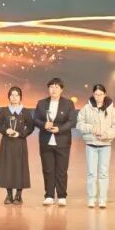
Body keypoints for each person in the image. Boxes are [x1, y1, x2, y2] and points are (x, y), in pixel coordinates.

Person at [76, 83, 115, 208]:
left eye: (100, 94)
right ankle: (91, 198)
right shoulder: (86, 108)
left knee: (103, 173)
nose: (98, 97)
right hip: (91, 145)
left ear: (105, 94)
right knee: (91, 173)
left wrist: (106, 134)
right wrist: (91, 128)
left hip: (105, 145)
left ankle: (102, 199)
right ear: (93, 94)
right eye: (96, 94)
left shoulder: (111, 110)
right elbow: (79, 124)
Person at [32, 77, 75, 205]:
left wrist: (59, 129)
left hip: (62, 141)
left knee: (62, 170)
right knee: (48, 169)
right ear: (48, 89)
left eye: (56, 87)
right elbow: (35, 119)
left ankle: (62, 196)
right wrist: (43, 125)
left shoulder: (68, 104)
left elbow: (72, 121)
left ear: (61, 89)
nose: (53, 89)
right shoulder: (41, 103)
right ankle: (49, 195)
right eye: (51, 87)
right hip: (46, 141)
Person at [0, 85, 33, 204]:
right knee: (7, 168)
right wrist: (5, 130)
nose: (14, 97)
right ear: (9, 97)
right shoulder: (4, 110)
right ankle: (9, 195)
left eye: (17, 95)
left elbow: (31, 127)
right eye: (12, 95)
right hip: (7, 143)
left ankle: (18, 195)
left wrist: (20, 134)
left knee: (20, 168)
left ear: (20, 97)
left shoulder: (25, 111)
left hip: (20, 143)